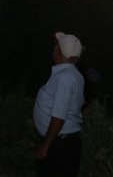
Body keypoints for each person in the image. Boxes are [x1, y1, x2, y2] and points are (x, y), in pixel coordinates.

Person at [33, 32, 85, 177]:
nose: (54, 47)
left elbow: (59, 116)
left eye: (56, 45)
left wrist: (46, 145)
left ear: (58, 53)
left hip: (60, 145)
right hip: (62, 142)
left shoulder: (64, 79)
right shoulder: (73, 74)